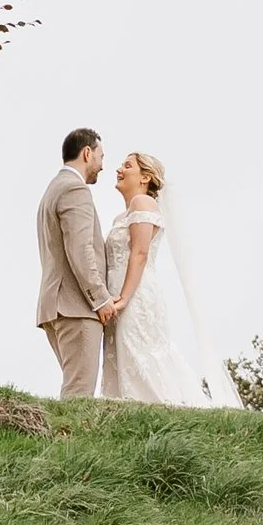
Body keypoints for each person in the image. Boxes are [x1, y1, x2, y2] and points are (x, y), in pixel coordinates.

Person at [99, 149, 210, 406]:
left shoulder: (143, 203)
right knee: (125, 351)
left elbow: (139, 252)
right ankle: (127, 407)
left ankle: (163, 405)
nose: (119, 170)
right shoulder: (120, 217)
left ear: (145, 177)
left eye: (127, 166)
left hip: (135, 294)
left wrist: (125, 298)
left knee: (140, 351)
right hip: (118, 292)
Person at [34, 125, 117, 398]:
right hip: (76, 307)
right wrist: (101, 298)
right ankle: (67, 442)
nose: (103, 166)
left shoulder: (53, 189)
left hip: (56, 306)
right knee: (78, 395)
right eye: (101, 157)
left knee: (74, 388)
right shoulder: (75, 190)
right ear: (87, 153)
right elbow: (81, 250)